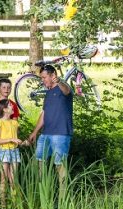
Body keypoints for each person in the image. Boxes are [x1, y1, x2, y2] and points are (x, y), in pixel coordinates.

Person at [26, 64, 73, 196]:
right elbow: (44, 114)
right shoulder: (48, 93)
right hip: (45, 134)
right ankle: (43, 194)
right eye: (41, 78)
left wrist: (59, 82)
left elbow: (67, 90)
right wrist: (35, 132)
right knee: (39, 162)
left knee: (60, 165)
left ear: (53, 76)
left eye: (44, 77)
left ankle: (63, 197)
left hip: (61, 134)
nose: (43, 80)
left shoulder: (64, 89)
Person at [0, 99, 23, 204]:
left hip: (14, 152)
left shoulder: (15, 123)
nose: (13, 106)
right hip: (4, 152)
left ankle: (14, 205)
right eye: (10, 105)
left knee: (14, 180)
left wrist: (23, 142)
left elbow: (16, 139)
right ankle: (3, 206)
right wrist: (11, 140)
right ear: (4, 109)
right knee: (3, 179)